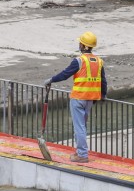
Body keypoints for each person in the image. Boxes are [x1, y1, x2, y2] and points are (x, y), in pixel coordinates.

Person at [44, 31, 107, 164]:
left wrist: (51, 80)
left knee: (79, 127)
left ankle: (82, 154)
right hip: (91, 99)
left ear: (83, 46)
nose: (79, 44)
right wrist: (103, 95)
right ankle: (79, 152)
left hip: (78, 98)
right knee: (82, 126)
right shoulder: (99, 61)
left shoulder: (79, 60)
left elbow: (65, 74)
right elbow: (103, 81)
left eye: (80, 43)